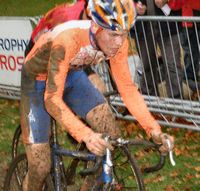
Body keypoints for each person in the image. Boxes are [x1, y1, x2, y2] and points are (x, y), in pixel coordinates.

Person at [20, 0, 174, 190]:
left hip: (73, 73)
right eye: (113, 35)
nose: (119, 42)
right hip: (38, 79)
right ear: (95, 26)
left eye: (124, 34)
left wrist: (154, 130)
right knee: (40, 166)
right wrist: (86, 135)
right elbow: (52, 99)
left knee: (110, 131)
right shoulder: (68, 39)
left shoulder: (118, 41)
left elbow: (127, 88)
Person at [133, 0, 183, 98]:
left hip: (169, 22)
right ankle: (151, 102)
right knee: (146, 64)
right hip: (142, 25)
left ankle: (177, 102)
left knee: (172, 64)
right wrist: (134, 7)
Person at [156, 0, 200, 93]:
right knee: (191, 51)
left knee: (192, 51)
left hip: (190, 17)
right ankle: (189, 78)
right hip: (188, 20)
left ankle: (191, 77)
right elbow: (175, 4)